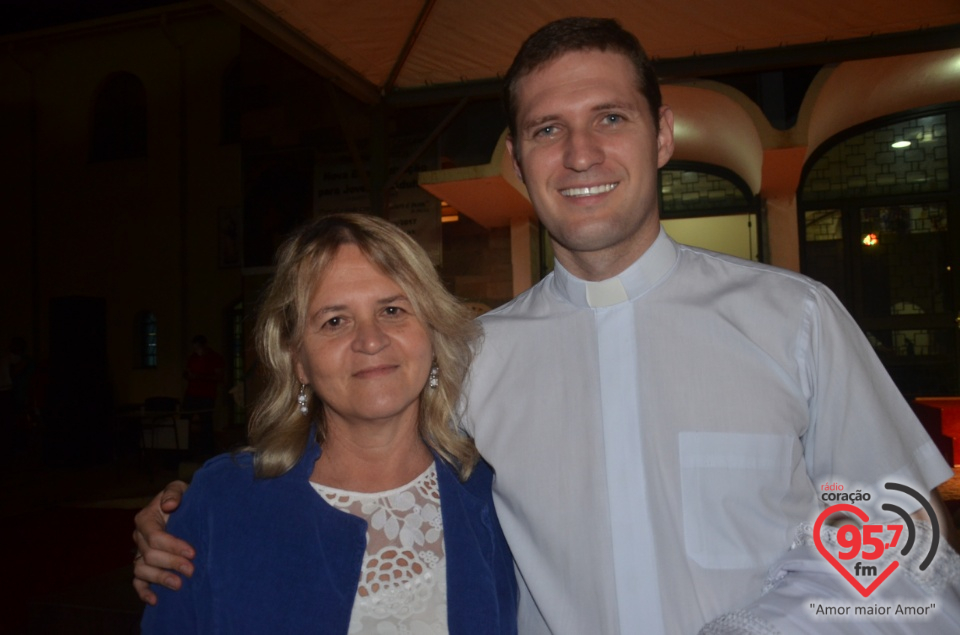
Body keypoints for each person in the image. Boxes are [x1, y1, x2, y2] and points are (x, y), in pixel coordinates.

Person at [134, 17, 958, 634]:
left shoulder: (794, 321)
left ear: (662, 135)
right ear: (519, 162)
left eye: (610, 118)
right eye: (547, 130)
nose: (580, 154)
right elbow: (358, 447)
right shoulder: (477, 356)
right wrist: (190, 511)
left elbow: (909, 548)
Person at [139, 213, 517, 634]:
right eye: (335, 321)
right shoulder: (223, 502)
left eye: (392, 310)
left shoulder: (494, 493)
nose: (370, 340)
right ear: (298, 359)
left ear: (431, 333)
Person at [182, 334, 225, 456]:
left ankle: (207, 452)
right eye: (195, 348)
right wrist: (187, 375)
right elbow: (187, 372)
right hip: (191, 394)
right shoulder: (193, 357)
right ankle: (185, 450)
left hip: (206, 395)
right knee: (185, 422)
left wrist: (198, 377)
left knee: (206, 423)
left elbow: (219, 377)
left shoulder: (215, 358)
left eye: (198, 348)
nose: (197, 351)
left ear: (204, 346)